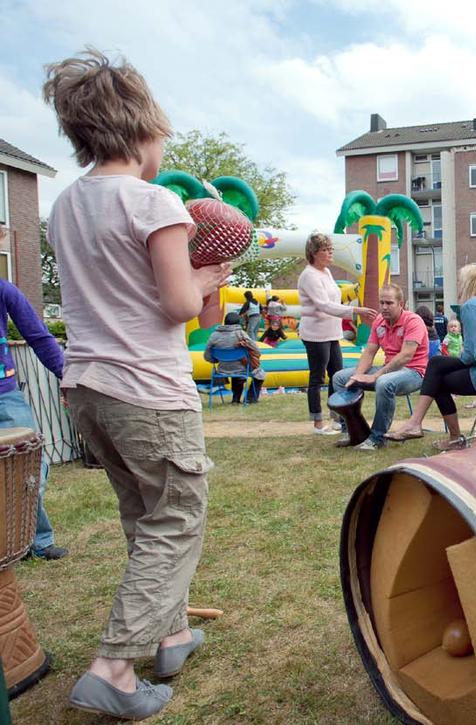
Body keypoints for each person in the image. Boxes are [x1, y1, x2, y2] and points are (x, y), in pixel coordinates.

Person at [44, 48, 233, 719]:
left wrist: (199, 276)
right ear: (140, 132)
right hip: (147, 387)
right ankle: (113, 667)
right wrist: (209, 276)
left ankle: (173, 631)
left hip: (87, 385)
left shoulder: (65, 205)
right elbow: (182, 307)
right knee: (176, 516)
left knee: (144, 512)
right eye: (161, 136)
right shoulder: (153, 199)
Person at [388, 265, 476, 449]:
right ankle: (425, 427)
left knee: (435, 366)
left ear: (467, 283)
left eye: (459, 281)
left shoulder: (471, 306)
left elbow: (470, 355)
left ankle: (424, 426)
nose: (457, 285)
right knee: (437, 373)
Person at [0, 246, 67, 561]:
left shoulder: (4, 290)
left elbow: (39, 336)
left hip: (5, 396)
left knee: (30, 469)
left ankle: (36, 541)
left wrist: (67, 378)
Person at [330, 284, 428, 451]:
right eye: (381, 302)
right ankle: (352, 433)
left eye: (389, 303)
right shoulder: (379, 322)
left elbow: (406, 356)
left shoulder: (413, 321)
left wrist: (375, 376)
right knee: (339, 378)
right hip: (389, 370)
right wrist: (357, 376)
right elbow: (369, 352)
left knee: (383, 382)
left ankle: (377, 438)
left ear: (401, 304)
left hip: (414, 372)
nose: (384, 307)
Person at [297, 232, 376, 435]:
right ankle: (317, 422)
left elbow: (334, 301)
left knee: (337, 376)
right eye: (326, 250)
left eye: (331, 249)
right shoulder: (309, 275)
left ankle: (338, 417)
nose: (331, 253)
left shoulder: (327, 273)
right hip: (316, 334)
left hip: (332, 333)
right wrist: (355, 311)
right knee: (317, 377)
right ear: (315, 253)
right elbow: (324, 305)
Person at [204, 312, 264, 403]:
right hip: (241, 368)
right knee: (259, 374)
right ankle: (250, 399)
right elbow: (256, 350)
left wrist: (216, 360)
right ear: (238, 322)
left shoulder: (214, 335)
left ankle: (235, 399)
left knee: (236, 368)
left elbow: (207, 356)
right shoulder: (241, 334)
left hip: (222, 369)